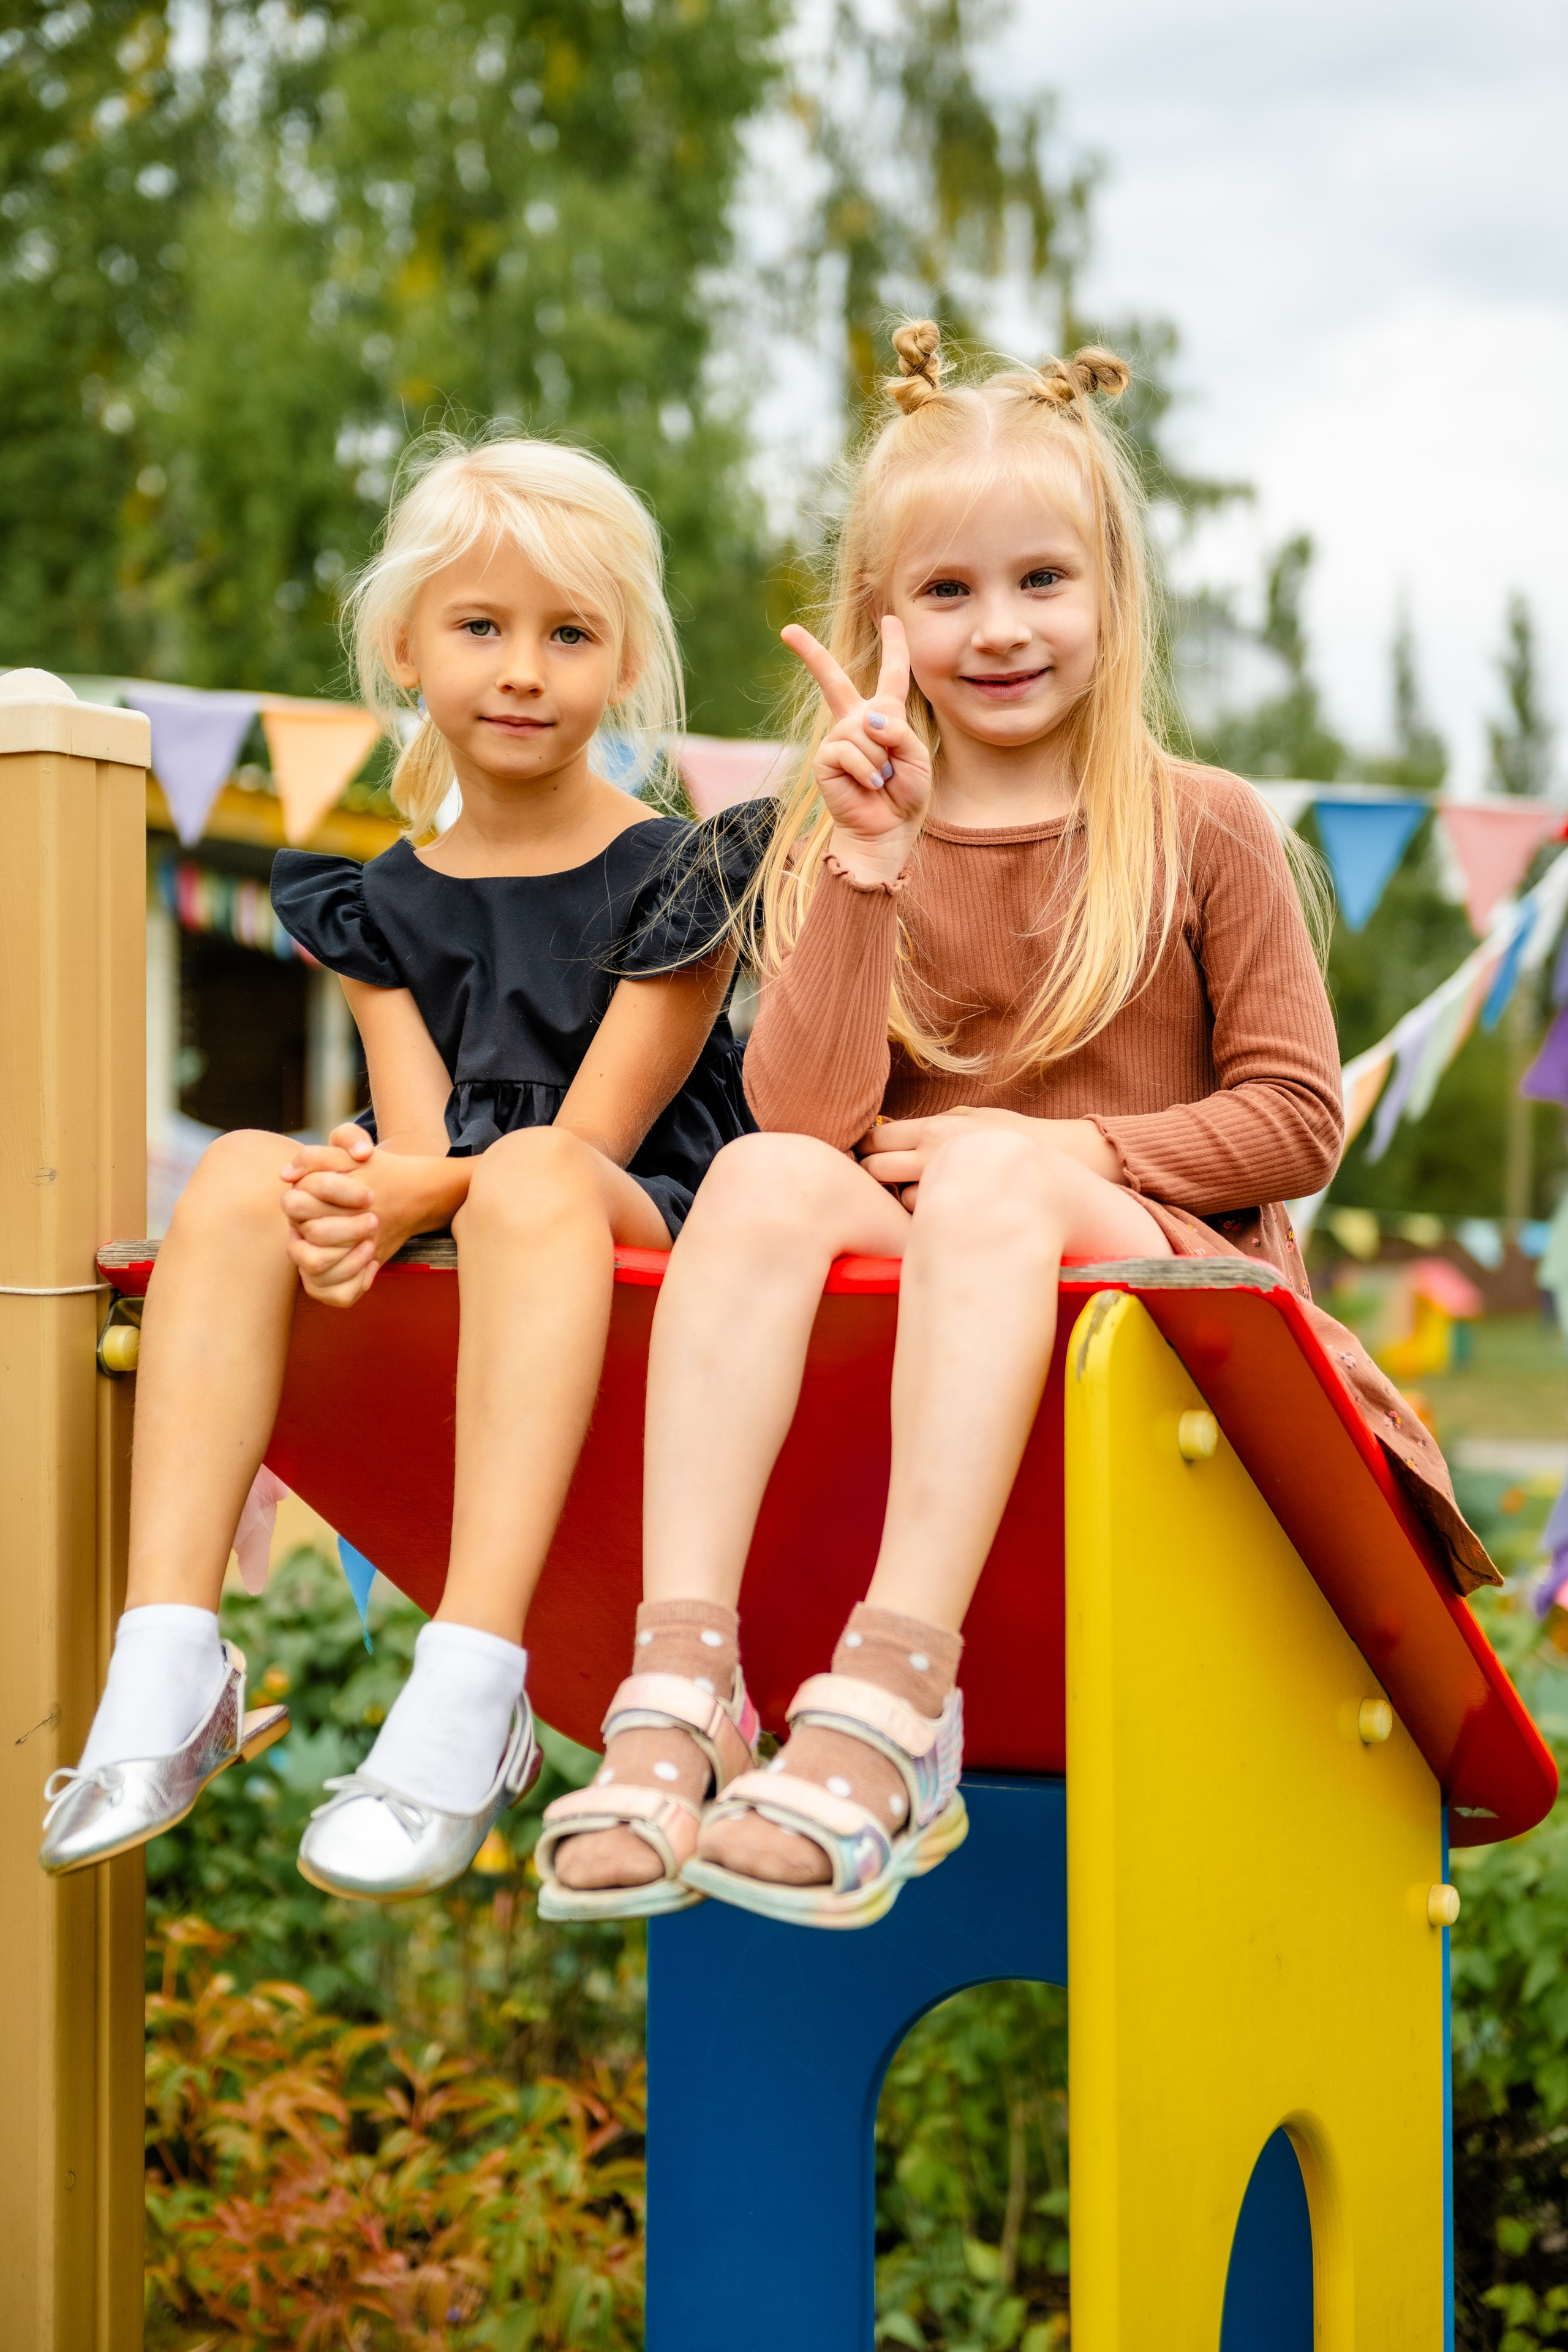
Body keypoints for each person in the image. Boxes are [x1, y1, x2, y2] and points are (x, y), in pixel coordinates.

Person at [536, 322, 1499, 1928]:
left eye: (1042, 582)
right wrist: (867, 866)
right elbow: (813, 1119)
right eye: (948, 592)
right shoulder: (847, 835)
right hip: (945, 1260)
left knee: (988, 1168)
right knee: (765, 1176)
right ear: (879, 622)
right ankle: (682, 1684)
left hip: (1174, 1284)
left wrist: (1079, 1155)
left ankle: (900, 1701)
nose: (999, 630)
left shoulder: (1203, 826)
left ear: (1113, 596)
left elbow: (1295, 1119)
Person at [41, 432, 766, 1899]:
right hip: (477, 1207)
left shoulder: (677, 874)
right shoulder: (381, 896)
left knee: (531, 1182)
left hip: (639, 1217)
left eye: (568, 636)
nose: (522, 669)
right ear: (404, 647)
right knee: (246, 1169)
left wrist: (422, 1189)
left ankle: (474, 1672)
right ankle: (169, 1659)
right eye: (480, 628)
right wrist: (347, 1203)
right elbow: (426, 1137)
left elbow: (589, 1144)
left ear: (622, 662)